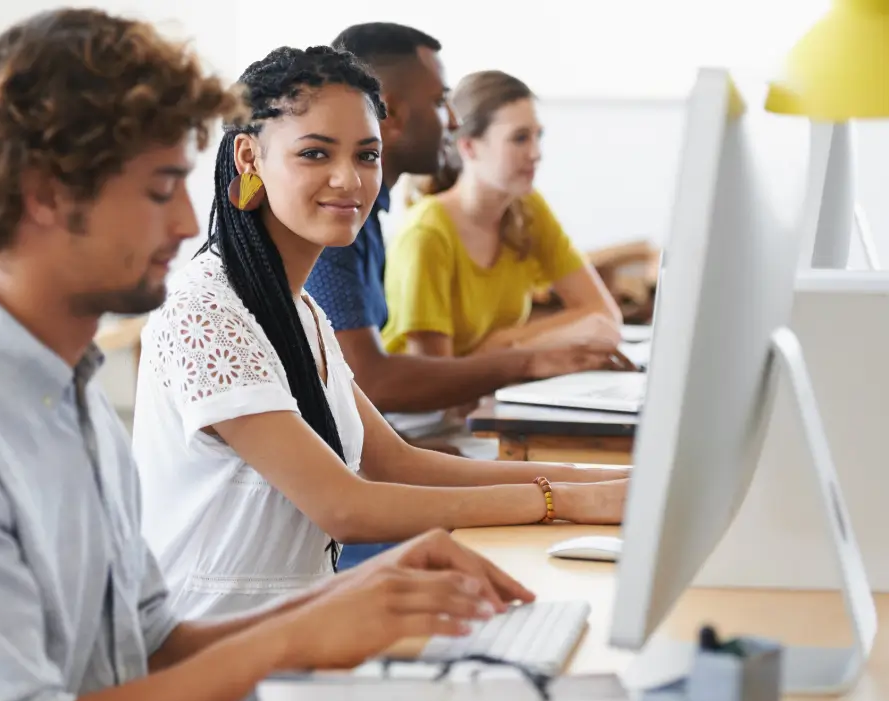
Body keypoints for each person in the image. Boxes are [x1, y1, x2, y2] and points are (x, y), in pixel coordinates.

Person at [0, 10, 536, 701]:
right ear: (46, 193)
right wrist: (301, 636)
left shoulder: (63, 395)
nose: (185, 223)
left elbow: (155, 645)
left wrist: (364, 596)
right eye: (158, 189)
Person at [131, 44, 628, 622]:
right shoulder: (206, 311)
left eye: (367, 156)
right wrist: (562, 502)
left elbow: (397, 462)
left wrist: (607, 481)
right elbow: (345, 506)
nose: (349, 180)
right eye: (315, 153)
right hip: (208, 654)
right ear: (249, 159)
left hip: (292, 635)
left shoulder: (301, 310)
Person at [302, 23, 625, 414]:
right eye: (441, 101)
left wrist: (508, 347)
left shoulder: (364, 217)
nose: (454, 122)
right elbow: (371, 382)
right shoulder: (348, 221)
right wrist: (526, 358)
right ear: (392, 114)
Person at [381, 70, 624, 360]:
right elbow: (434, 376)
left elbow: (604, 316)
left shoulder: (527, 208)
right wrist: (524, 346)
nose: (536, 153)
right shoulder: (426, 234)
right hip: (427, 402)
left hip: (493, 390)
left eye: (538, 136)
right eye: (520, 138)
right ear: (469, 146)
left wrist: (505, 343)